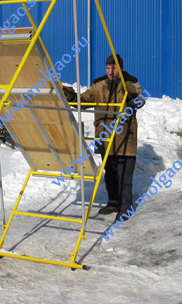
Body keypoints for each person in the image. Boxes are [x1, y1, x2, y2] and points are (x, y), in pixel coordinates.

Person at [63, 54, 147, 221]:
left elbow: (140, 99)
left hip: (124, 138)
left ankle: (125, 207)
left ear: (120, 68)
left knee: (124, 174)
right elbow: (84, 101)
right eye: (108, 68)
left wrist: (132, 101)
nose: (110, 71)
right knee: (110, 172)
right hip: (105, 137)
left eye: (113, 68)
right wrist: (67, 94)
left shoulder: (129, 84)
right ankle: (113, 202)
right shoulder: (99, 86)